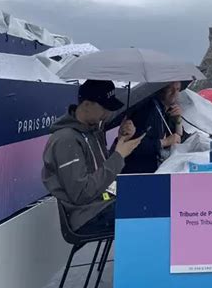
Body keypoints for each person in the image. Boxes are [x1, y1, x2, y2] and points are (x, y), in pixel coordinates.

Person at [42, 80, 143, 235]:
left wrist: (120, 141)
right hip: (85, 215)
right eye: (104, 108)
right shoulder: (65, 140)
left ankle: (143, 259)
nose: (108, 114)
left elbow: (100, 170)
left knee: (149, 198)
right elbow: (82, 193)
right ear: (87, 104)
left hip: (102, 203)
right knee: (147, 211)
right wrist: (118, 156)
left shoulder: (93, 131)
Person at [122, 81, 184, 174]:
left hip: (152, 169)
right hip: (136, 172)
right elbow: (135, 144)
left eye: (178, 89)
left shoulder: (166, 111)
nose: (175, 93)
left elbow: (177, 138)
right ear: (161, 89)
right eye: (170, 89)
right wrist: (164, 142)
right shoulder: (148, 109)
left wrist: (178, 120)